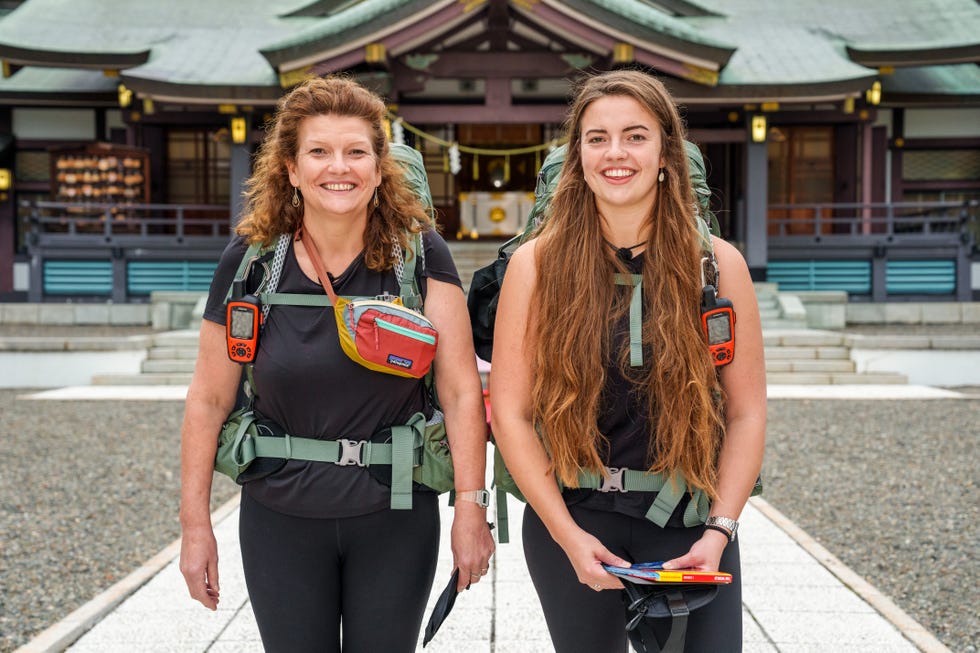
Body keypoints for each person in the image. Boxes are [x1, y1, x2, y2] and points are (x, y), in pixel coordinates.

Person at [178, 75, 495, 652]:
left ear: (379, 167)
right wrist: (194, 526)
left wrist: (471, 511)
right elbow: (208, 398)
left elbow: (458, 392)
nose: (338, 167)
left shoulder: (421, 256)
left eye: (356, 151)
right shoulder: (250, 262)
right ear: (292, 169)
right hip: (279, 514)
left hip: (396, 511)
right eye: (318, 152)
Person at [489, 69, 766, 652]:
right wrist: (566, 536)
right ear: (579, 156)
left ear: (665, 150)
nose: (616, 153)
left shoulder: (716, 265)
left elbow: (746, 412)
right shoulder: (536, 266)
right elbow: (509, 413)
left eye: (635, 136)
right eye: (597, 138)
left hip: (688, 519)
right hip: (575, 515)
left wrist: (720, 530)